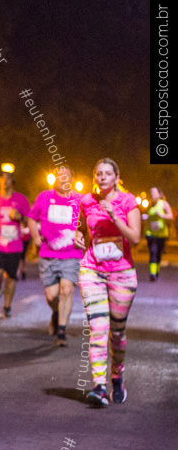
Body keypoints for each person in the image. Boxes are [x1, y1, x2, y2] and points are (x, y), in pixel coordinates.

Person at [77, 158, 141, 407]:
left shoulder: (128, 202)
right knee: (98, 328)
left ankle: (117, 377)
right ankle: (99, 387)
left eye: (107, 174)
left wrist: (115, 216)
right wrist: (79, 234)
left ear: (116, 177)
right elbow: (83, 227)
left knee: (116, 331)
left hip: (122, 273)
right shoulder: (87, 201)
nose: (102, 177)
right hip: (92, 270)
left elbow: (135, 238)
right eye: (98, 173)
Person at [28, 165, 82, 347]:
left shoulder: (79, 200)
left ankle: (62, 330)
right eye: (59, 176)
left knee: (66, 289)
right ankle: (57, 312)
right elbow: (31, 218)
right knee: (51, 296)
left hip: (71, 254)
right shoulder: (44, 197)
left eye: (66, 176)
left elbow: (88, 223)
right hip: (48, 254)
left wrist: (85, 237)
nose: (63, 180)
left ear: (71, 179)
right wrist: (35, 236)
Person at [0, 170, 30, 317]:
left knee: (11, 277)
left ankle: (7, 307)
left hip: (14, 244)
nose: (4, 181)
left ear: (12, 181)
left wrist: (20, 217)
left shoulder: (21, 199)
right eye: (2, 178)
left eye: (8, 178)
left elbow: (28, 220)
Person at [144, 187, 173, 281]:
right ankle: (152, 274)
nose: (152, 195)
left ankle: (156, 273)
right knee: (153, 252)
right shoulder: (149, 204)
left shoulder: (164, 204)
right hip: (150, 233)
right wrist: (145, 217)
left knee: (158, 254)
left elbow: (171, 216)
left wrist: (162, 215)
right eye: (151, 193)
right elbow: (145, 216)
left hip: (161, 234)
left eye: (154, 193)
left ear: (159, 194)